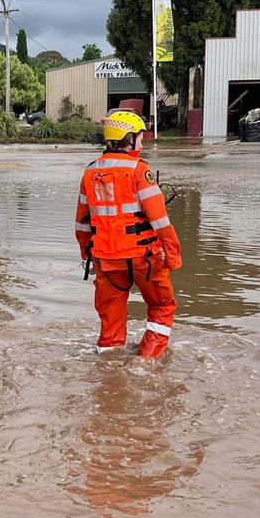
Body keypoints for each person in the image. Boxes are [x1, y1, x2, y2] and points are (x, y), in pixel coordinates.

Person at [74, 110, 182, 358]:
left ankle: (108, 365)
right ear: (129, 138)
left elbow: (82, 223)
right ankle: (147, 361)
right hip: (145, 258)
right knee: (162, 306)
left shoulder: (89, 173)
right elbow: (160, 220)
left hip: (106, 260)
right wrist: (173, 256)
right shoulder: (139, 170)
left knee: (110, 318)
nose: (142, 143)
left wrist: (85, 256)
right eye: (140, 137)